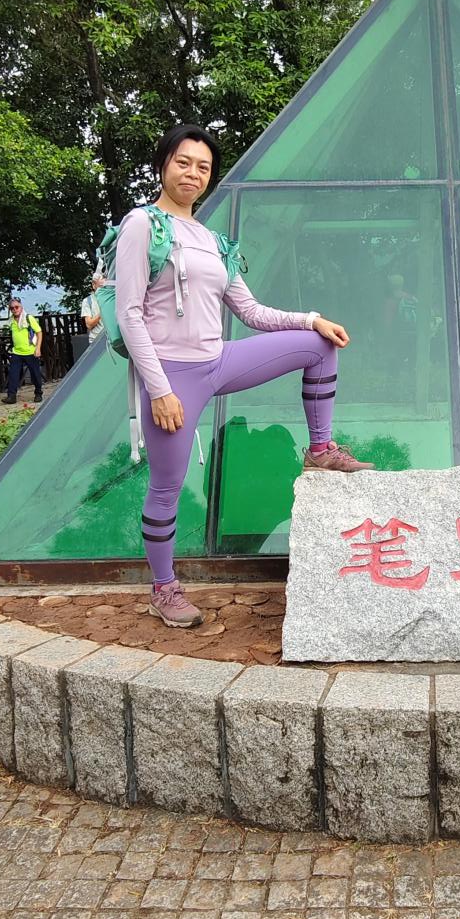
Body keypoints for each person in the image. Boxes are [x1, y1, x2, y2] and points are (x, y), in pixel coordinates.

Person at [115, 122, 373, 630]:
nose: (193, 173)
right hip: (172, 376)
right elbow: (129, 314)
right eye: (183, 162)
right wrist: (159, 389)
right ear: (163, 164)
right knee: (167, 486)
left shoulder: (213, 240)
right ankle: (163, 588)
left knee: (319, 345)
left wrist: (311, 319)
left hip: (218, 361)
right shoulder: (142, 225)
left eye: (203, 167)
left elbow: (251, 311)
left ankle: (321, 450)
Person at [2, 296, 44, 405]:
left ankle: (38, 393)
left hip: (30, 351)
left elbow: (39, 332)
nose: (14, 309)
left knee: (35, 374)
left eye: (16, 307)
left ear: (21, 307)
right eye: (12, 308)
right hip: (17, 352)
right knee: (13, 374)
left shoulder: (28, 318)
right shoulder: (11, 320)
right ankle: (11, 396)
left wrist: (38, 348)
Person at [81, 272, 106, 345]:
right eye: (101, 286)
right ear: (93, 285)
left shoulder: (112, 299)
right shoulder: (87, 301)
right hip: (96, 341)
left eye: (105, 286)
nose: (104, 289)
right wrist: (103, 311)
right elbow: (89, 325)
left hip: (112, 340)